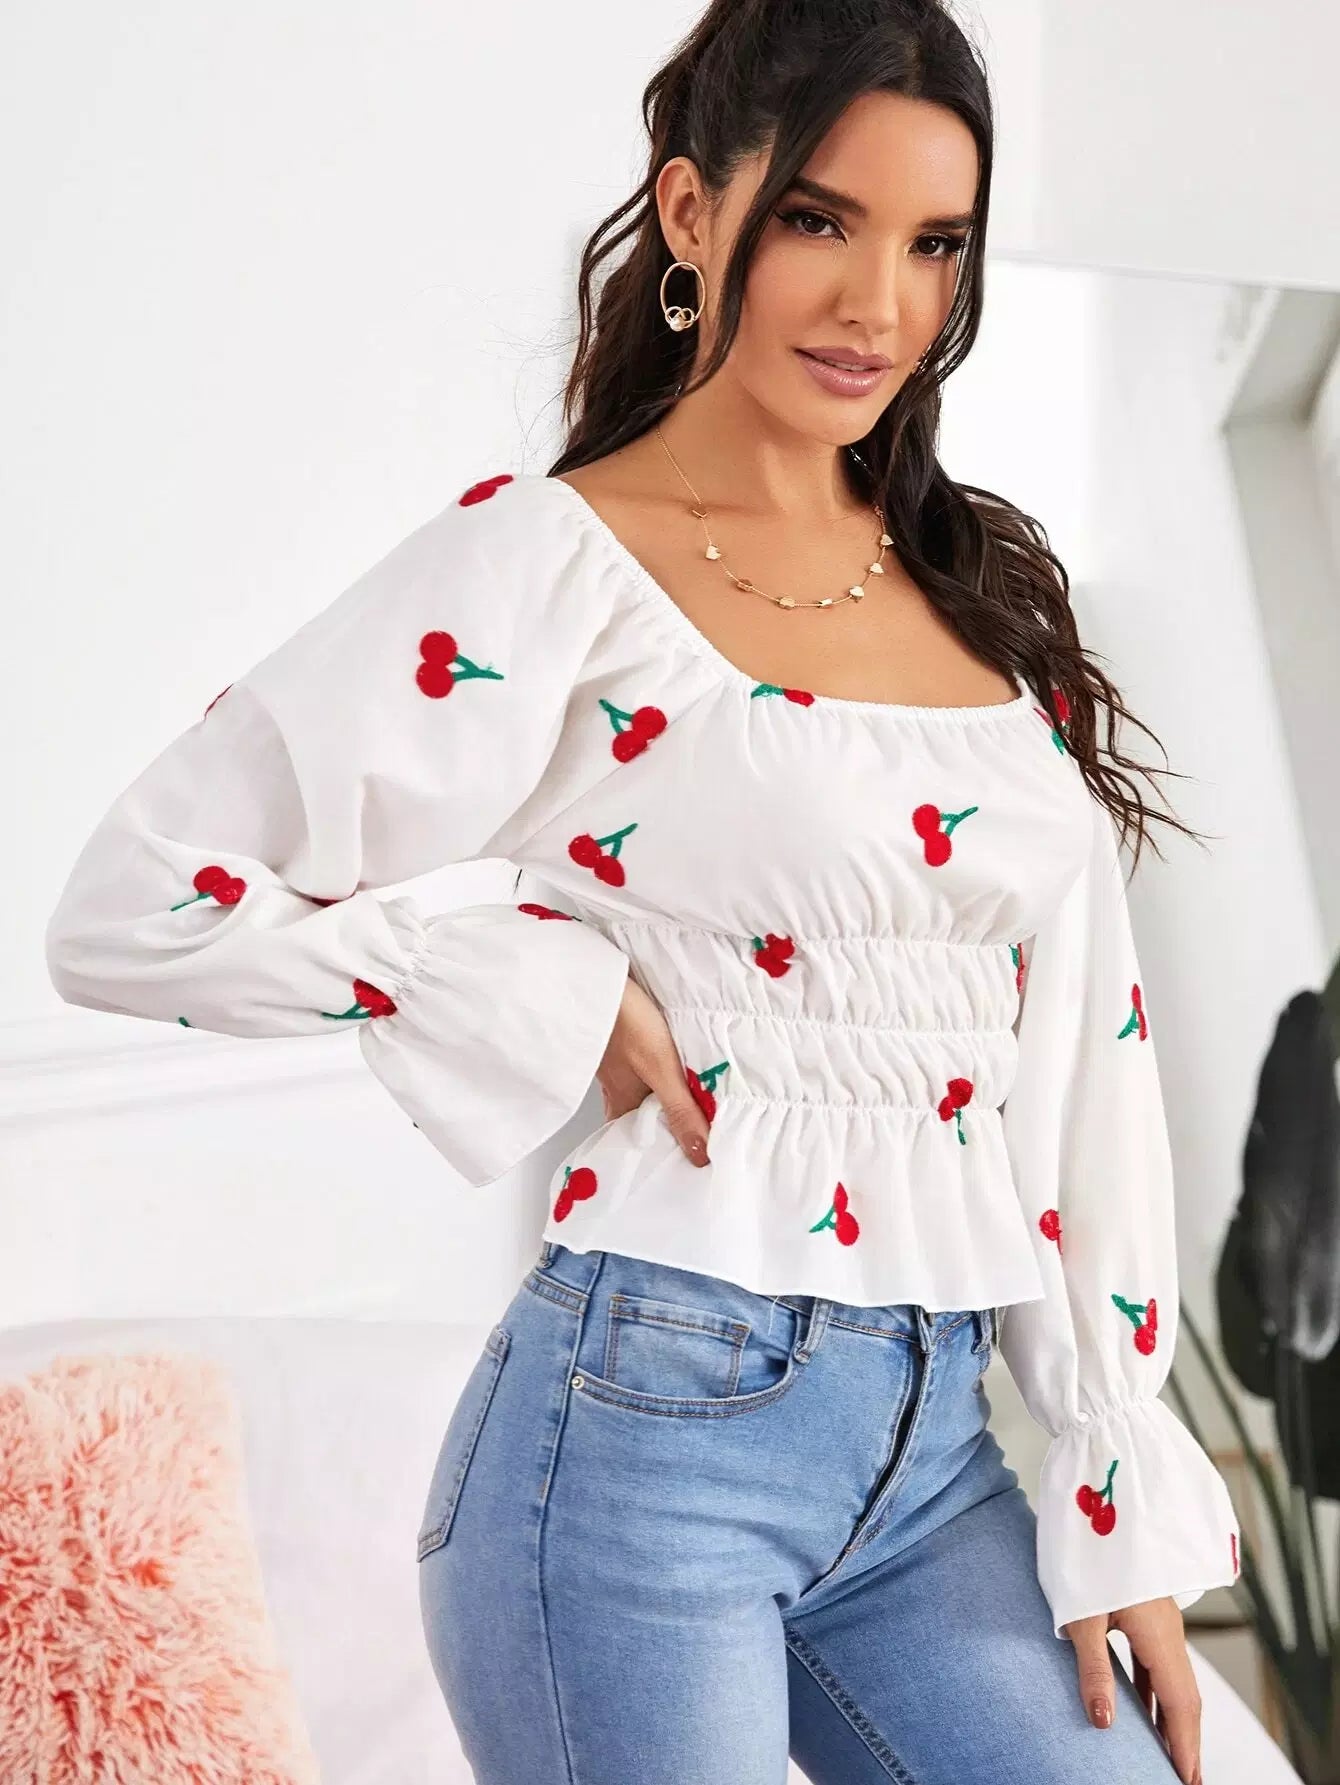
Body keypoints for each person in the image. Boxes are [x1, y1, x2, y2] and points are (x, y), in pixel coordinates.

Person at [45, 1, 1240, 1780]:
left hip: (937, 1463)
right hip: (636, 1456)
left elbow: (1085, 1062)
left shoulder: (978, 596)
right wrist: (536, 985)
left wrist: (1114, 1479)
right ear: (692, 210)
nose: (880, 304)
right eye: (821, 220)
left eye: (936, 245)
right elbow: (136, 903)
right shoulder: (551, 568)